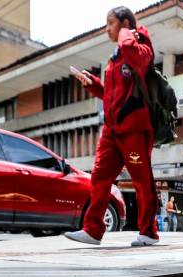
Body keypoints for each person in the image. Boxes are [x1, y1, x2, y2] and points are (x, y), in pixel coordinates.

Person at [64, 6, 159, 247]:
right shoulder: (115, 58)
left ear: (125, 23)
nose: (107, 28)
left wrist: (127, 31)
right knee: (98, 178)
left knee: (141, 179)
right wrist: (93, 84)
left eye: (111, 23)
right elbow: (112, 96)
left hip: (134, 131)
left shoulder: (140, 46)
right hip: (112, 131)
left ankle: (149, 233)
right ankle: (93, 230)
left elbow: (132, 51)